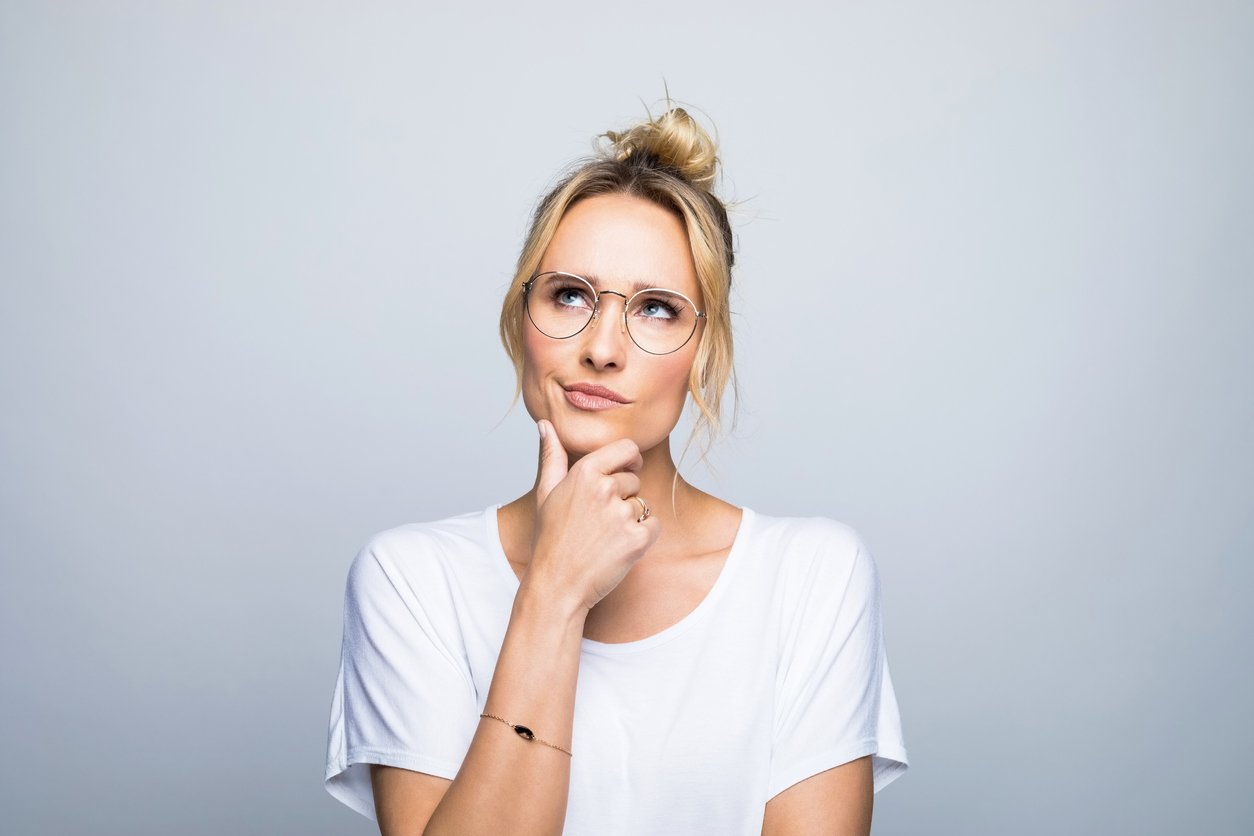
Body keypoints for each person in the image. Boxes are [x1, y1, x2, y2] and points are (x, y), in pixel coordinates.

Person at [324, 104, 909, 835]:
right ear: (521, 319)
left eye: (657, 309)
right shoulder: (410, 581)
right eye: (569, 295)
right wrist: (556, 590)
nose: (602, 347)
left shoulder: (812, 577)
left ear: (704, 352)